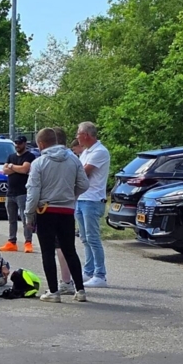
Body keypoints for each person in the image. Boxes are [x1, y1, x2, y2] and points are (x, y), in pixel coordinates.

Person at [25, 127, 89, 303]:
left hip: (46, 210)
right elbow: (84, 184)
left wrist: (29, 215)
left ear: (41, 144)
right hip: (67, 210)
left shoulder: (39, 163)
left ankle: (53, 291)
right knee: (70, 250)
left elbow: (33, 192)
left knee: (47, 252)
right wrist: (70, 195)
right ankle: (80, 290)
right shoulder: (74, 160)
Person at [76, 121, 111, 287]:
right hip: (82, 198)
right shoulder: (86, 152)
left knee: (93, 238)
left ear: (86, 135)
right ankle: (88, 271)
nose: (77, 137)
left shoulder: (100, 152)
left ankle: (100, 274)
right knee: (84, 238)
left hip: (92, 199)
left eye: (78, 134)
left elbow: (82, 173)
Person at [0, 136, 36, 253]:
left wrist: (11, 166)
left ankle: (28, 242)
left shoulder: (29, 156)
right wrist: (15, 168)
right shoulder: (11, 156)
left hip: (23, 193)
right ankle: (12, 242)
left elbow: (25, 169)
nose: (17, 145)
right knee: (11, 219)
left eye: (19, 143)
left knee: (25, 219)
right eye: (16, 143)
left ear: (25, 143)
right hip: (10, 193)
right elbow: (4, 170)